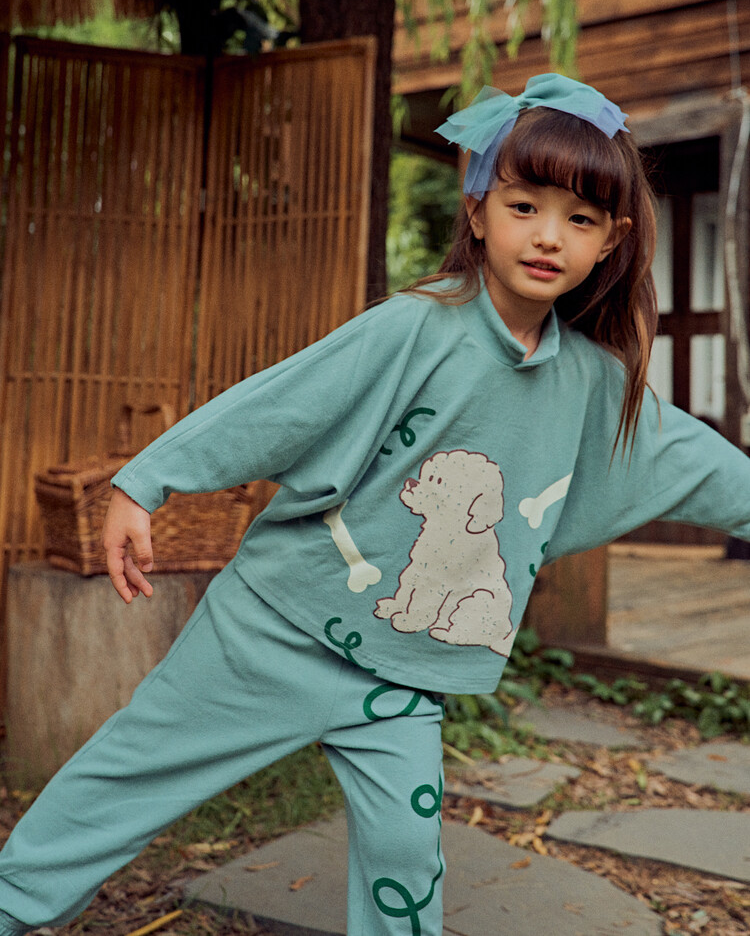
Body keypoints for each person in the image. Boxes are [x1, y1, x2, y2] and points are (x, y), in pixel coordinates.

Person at [3, 73, 750, 936]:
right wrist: (147, 478)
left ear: (611, 241)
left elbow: (694, 461)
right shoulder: (417, 326)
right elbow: (284, 402)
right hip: (275, 624)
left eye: (580, 219)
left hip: (401, 673)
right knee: (126, 779)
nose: (549, 235)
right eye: (524, 206)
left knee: (406, 854)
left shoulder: (592, 383)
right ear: (478, 212)